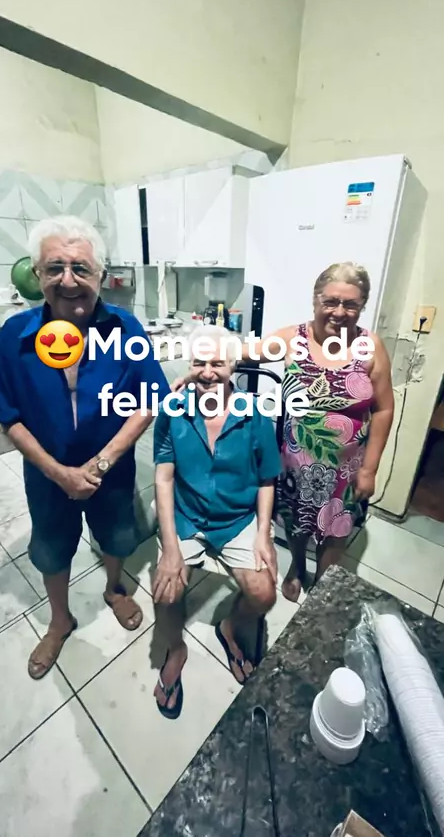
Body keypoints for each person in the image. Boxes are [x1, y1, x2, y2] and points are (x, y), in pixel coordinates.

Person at [0, 216, 169, 679]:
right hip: (46, 474)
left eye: (80, 268)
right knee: (51, 548)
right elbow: (7, 415)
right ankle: (60, 619)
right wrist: (58, 472)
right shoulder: (14, 336)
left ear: (100, 275)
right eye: (55, 268)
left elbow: (149, 400)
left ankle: (114, 588)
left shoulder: (126, 329)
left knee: (117, 536)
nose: (68, 280)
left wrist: (102, 463)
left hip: (112, 470)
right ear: (37, 274)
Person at [152, 324, 281, 719]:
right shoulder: (173, 409)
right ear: (189, 365)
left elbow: (267, 479)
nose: (208, 372)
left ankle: (229, 626)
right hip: (187, 516)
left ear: (234, 365)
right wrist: (171, 549)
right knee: (166, 593)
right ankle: (176, 650)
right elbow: (164, 478)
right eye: (199, 362)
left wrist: (263, 534)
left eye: (218, 363)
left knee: (264, 594)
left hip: (236, 518)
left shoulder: (255, 414)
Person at [245, 262, 394, 601]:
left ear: (362, 306)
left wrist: (370, 470)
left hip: (347, 469)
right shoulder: (292, 339)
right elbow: (239, 354)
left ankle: (323, 587)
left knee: (336, 531)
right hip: (296, 464)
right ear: (315, 300)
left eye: (350, 304)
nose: (339, 312)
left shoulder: (371, 347)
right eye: (331, 301)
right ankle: (297, 566)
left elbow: (384, 409)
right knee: (296, 524)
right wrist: (197, 358)